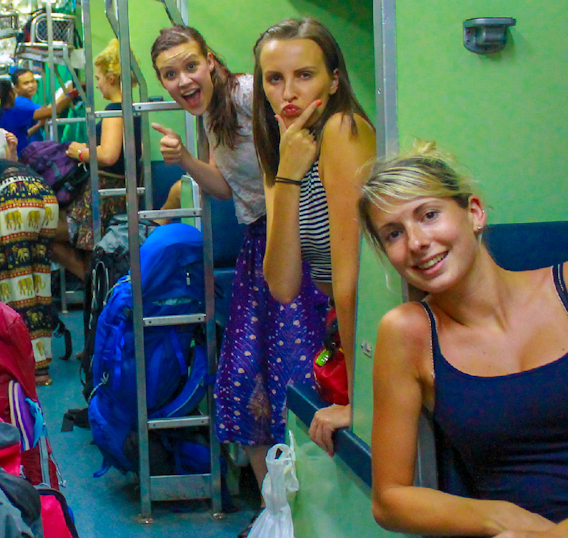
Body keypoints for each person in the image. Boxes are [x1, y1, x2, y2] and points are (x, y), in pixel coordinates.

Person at [365, 144, 568, 537]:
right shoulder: (408, 333)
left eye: (428, 215)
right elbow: (390, 499)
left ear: (474, 213)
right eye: (393, 234)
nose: (415, 242)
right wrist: (500, 517)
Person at [150, 25, 328, 515]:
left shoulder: (249, 93)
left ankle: (310, 515)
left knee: (298, 376)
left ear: (210, 61)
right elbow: (226, 189)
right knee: (240, 382)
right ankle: (278, 513)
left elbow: (292, 161)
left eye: (190, 66)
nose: (183, 80)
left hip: (294, 233)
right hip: (259, 241)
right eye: (170, 74)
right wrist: (186, 159)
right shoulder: (212, 113)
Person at [251, 18, 376, 454]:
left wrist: (362, 404)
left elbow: (354, 274)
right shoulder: (284, 148)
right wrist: (286, 172)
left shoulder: (344, 132)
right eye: (274, 79)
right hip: (340, 321)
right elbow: (283, 284)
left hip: (373, 323)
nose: (289, 92)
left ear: (334, 79)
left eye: (304, 75)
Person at [54, 38, 143, 281]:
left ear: (111, 79)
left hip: (104, 196)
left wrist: (79, 152)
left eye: (99, 79)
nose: (98, 84)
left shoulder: (114, 110)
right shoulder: (134, 109)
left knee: (48, 235)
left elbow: (108, 155)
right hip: (121, 193)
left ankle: (91, 283)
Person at [0, 160, 59, 385]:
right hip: (46, 195)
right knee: (40, 283)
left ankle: (27, 365)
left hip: (14, 198)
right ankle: (43, 363)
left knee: (16, 283)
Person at [0, 67, 76, 155]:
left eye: (32, 81)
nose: (31, 85)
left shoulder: (3, 112)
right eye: (26, 83)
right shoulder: (19, 106)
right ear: (14, 90)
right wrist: (71, 93)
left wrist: (38, 126)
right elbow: (53, 111)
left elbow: (21, 135)